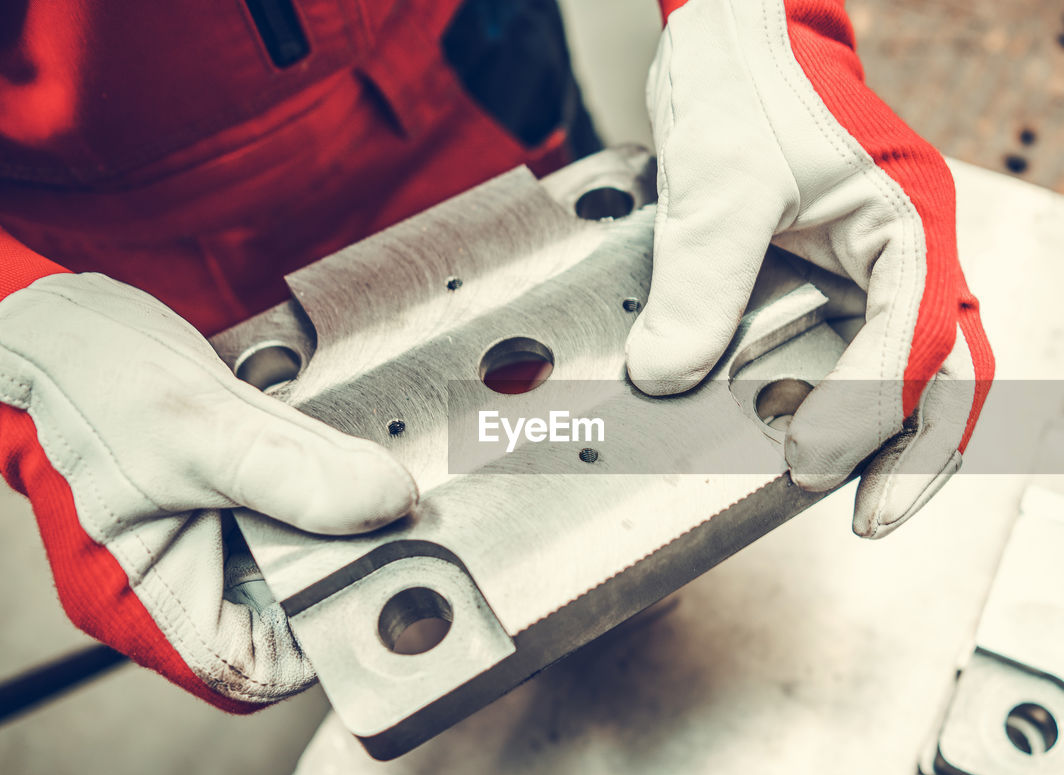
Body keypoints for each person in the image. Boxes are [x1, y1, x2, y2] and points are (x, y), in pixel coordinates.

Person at [0, 0, 993, 710]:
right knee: (317, 521)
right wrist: (24, 342)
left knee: (598, 451)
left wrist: (755, 19)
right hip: (132, 249)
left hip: (458, 65)